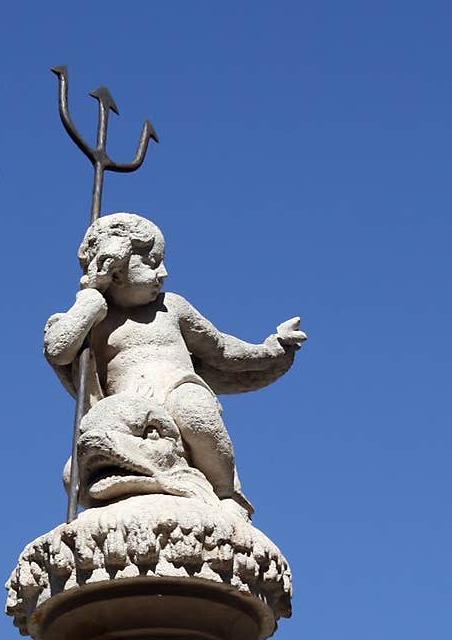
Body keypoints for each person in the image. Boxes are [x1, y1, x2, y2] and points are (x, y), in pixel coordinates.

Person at [44, 212, 306, 510]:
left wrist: (271, 349)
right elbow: (58, 348)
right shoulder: (95, 319)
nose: (163, 272)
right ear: (114, 270)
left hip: (178, 388)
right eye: (151, 262)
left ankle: (226, 493)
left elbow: (220, 348)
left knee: (195, 413)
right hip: (127, 408)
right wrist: (89, 300)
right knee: (75, 474)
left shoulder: (172, 307)